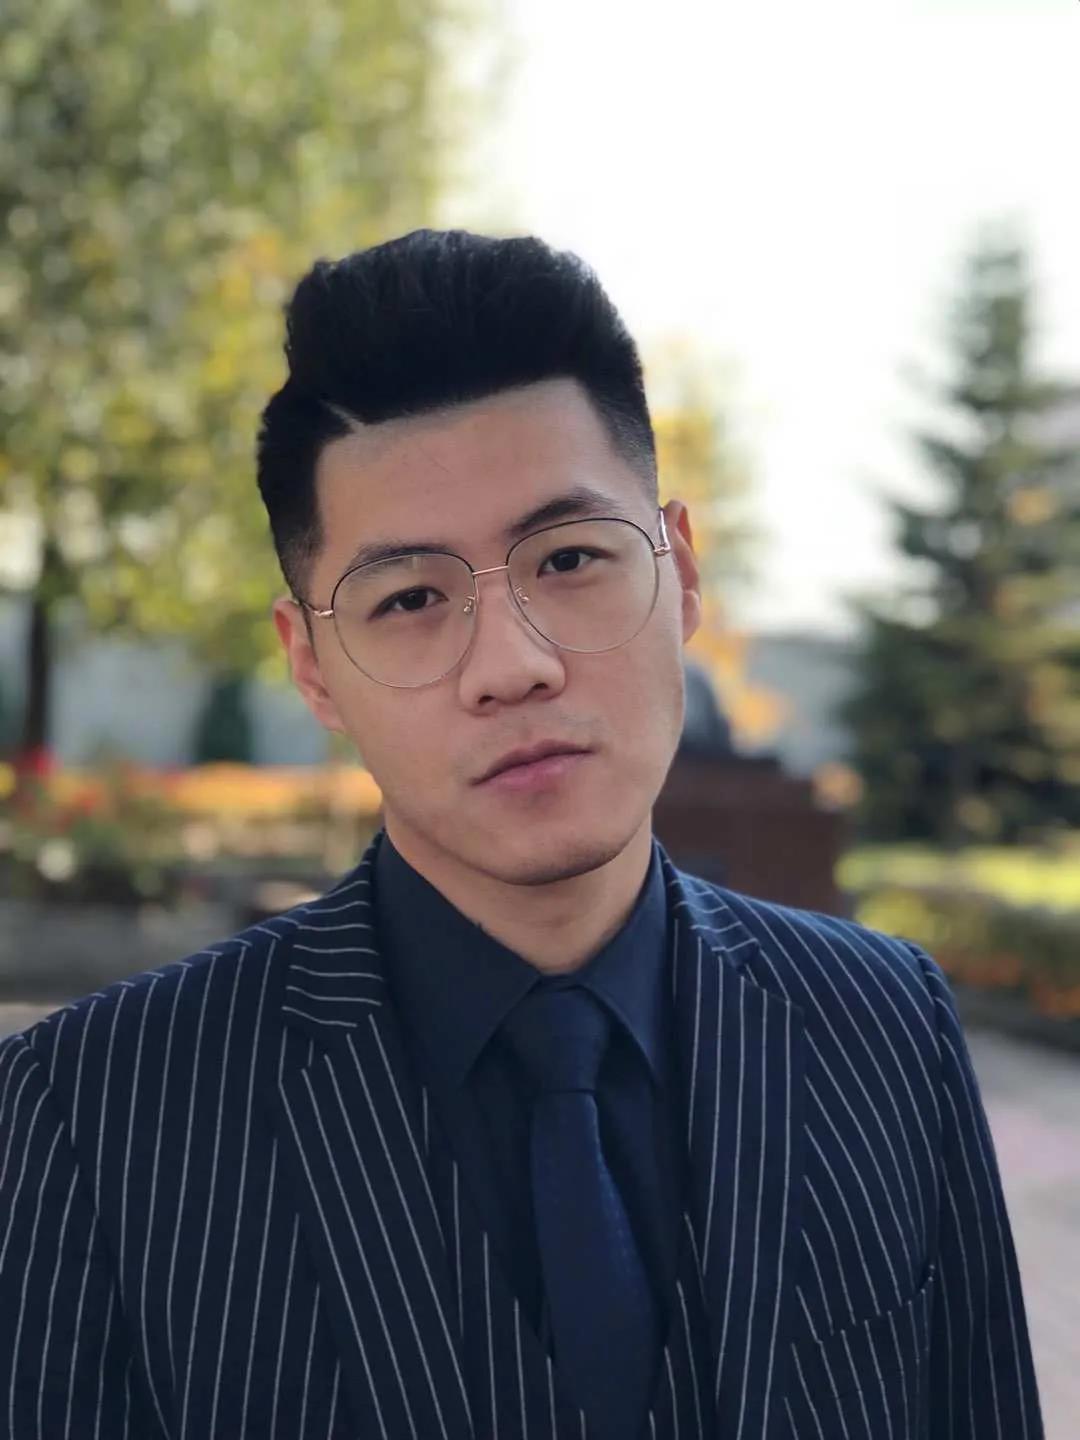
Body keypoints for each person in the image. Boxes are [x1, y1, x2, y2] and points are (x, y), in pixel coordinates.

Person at [0, 230, 1042, 1440]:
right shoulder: (94, 1113)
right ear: (312, 665)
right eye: (410, 598)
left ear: (681, 573)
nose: (514, 663)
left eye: (570, 558)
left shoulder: (886, 1026)